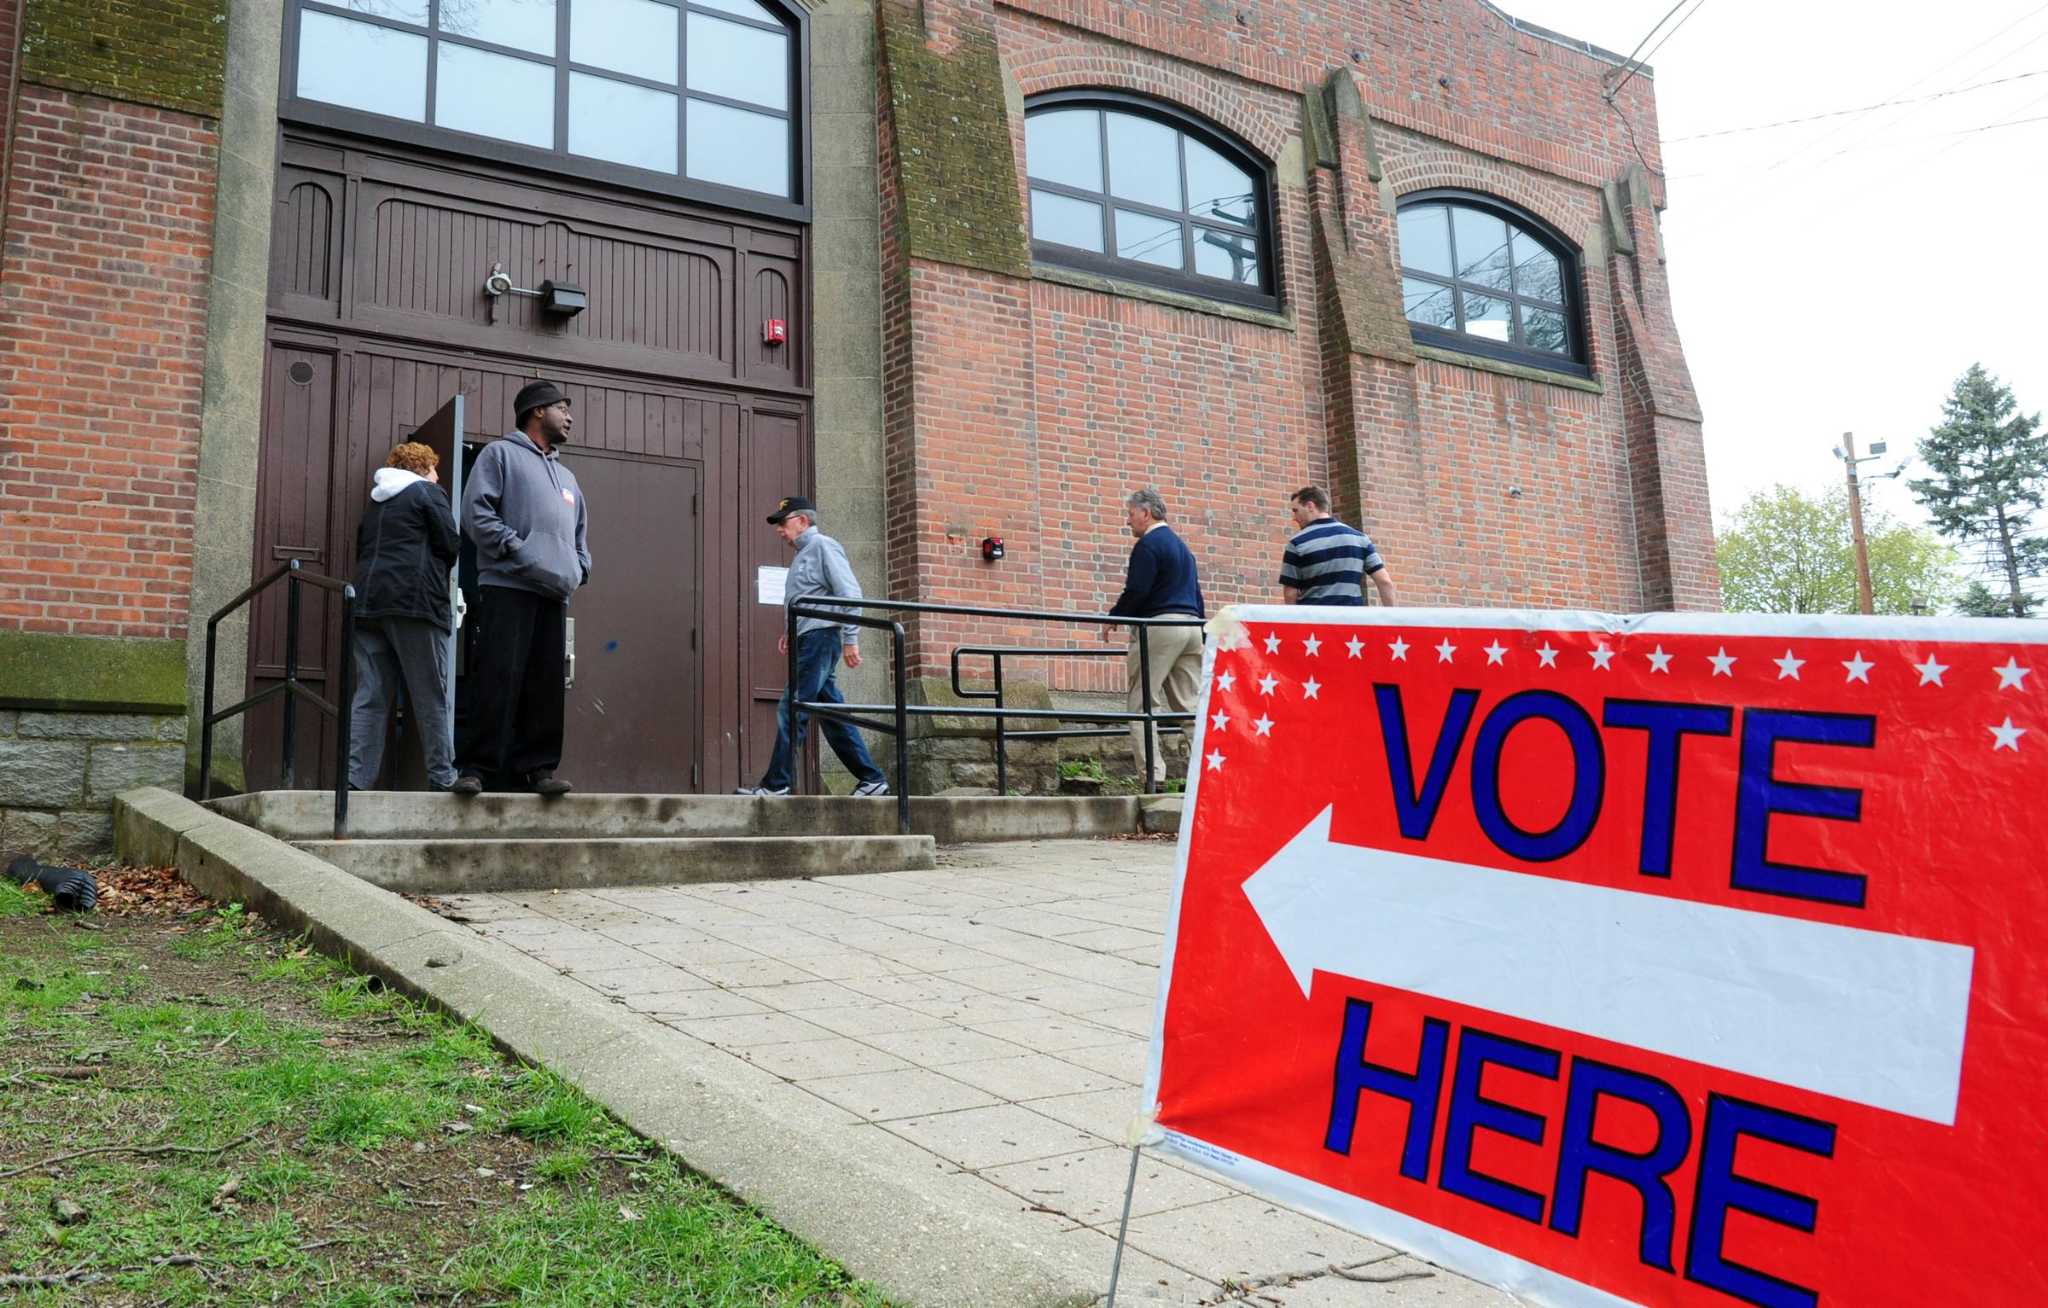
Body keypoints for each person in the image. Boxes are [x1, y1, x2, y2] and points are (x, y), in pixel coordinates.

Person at [452, 379, 590, 797]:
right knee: (497, 676)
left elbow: (580, 533)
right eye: (562, 408)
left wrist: (579, 567)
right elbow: (475, 514)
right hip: (507, 585)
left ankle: (538, 770)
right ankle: (477, 768)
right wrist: (517, 550)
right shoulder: (500, 455)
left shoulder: (567, 477)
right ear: (537, 411)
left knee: (545, 685)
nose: (569, 417)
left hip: (552, 593)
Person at [737, 496, 891, 798]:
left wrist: (851, 639)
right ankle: (871, 779)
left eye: (783, 522)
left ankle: (776, 784)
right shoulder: (803, 554)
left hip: (822, 639)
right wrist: (790, 631)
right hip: (809, 638)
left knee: (791, 708)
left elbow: (850, 592)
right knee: (832, 714)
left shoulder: (823, 546)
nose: (779, 530)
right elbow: (809, 595)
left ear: (802, 521)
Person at [348, 440, 460, 791]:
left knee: (371, 696)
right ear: (423, 468)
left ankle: (355, 781)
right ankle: (442, 778)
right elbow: (451, 544)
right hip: (414, 604)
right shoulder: (427, 492)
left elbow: (361, 546)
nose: (438, 475)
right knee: (430, 694)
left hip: (367, 605)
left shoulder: (375, 504)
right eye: (434, 468)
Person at [1104, 487, 1205, 788]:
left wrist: (1114, 617)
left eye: (1131, 514)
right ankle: (1208, 772)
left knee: (1142, 702)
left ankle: (1153, 778)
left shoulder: (1148, 545)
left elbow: (1137, 590)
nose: (1128, 521)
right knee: (1190, 706)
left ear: (1146, 513)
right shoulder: (1182, 547)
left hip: (1161, 626)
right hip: (1191, 626)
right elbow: (1197, 593)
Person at [1278, 485, 1397, 606]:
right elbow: (1385, 582)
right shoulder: (1361, 539)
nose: (1294, 518)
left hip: (1315, 620)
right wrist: (1391, 620)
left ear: (1310, 506)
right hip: (1351, 620)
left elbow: (1290, 594)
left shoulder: (1297, 543)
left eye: (1295, 510)